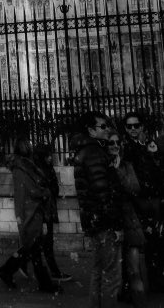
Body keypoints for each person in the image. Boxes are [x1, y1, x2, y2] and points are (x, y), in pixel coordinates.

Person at [0, 137, 60, 293]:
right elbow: (32, 189)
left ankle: (10, 271)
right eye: (28, 145)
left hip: (30, 211)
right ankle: (10, 271)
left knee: (33, 249)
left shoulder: (22, 166)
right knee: (33, 248)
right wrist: (46, 192)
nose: (31, 147)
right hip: (30, 212)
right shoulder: (22, 167)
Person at [73, 111, 124, 308]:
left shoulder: (83, 151)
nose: (107, 129)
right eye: (102, 126)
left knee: (98, 271)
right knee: (111, 275)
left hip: (94, 221)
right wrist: (116, 224)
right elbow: (103, 193)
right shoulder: (94, 153)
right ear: (91, 130)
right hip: (104, 222)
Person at [122, 111, 164, 293]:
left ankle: (155, 281)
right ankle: (130, 287)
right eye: (129, 126)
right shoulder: (125, 149)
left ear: (142, 127)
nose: (133, 129)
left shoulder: (148, 146)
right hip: (137, 202)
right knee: (135, 245)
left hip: (152, 200)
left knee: (155, 243)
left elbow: (157, 171)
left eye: (136, 125)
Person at [107, 130, 146, 307]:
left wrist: (119, 171)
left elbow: (135, 188)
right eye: (111, 143)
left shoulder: (126, 165)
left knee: (134, 270)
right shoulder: (102, 165)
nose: (115, 146)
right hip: (112, 221)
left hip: (129, 220)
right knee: (113, 273)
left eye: (117, 142)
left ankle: (139, 301)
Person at [35, 142, 73, 282]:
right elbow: (43, 192)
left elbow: (53, 189)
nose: (51, 158)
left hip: (47, 210)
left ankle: (12, 266)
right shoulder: (40, 170)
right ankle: (54, 272)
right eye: (48, 155)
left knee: (38, 244)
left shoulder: (45, 168)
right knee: (46, 243)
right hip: (44, 212)